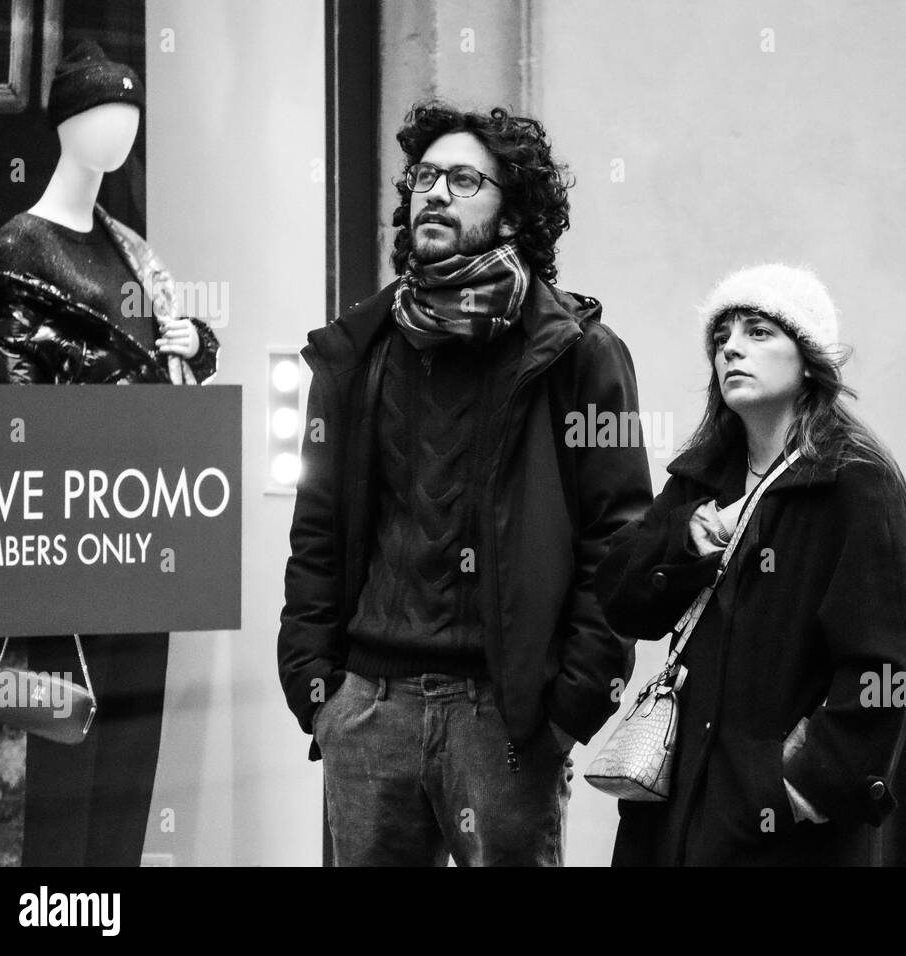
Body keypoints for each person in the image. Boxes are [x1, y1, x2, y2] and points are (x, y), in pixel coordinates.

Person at [277, 101, 652, 866]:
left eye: (462, 179)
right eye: (422, 177)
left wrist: (566, 709)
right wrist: (319, 691)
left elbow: (617, 543)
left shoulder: (577, 355)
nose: (434, 193)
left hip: (505, 719)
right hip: (368, 710)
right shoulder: (359, 352)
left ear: (514, 213)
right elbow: (317, 530)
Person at [0, 41, 218, 866]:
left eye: (131, 111)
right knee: (58, 762)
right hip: (71, 543)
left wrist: (194, 342)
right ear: (67, 122)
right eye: (104, 109)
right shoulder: (21, 246)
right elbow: (10, 407)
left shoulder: (130, 249)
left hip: (144, 542)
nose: (122, 125)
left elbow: (161, 370)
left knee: (126, 767)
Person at [595, 263, 906, 866]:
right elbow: (621, 596)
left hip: (789, 834)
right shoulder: (703, 477)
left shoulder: (856, 485)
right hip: (680, 811)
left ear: (809, 361)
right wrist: (693, 542)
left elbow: (881, 673)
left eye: (758, 332)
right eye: (721, 339)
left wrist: (791, 787)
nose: (731, 350)